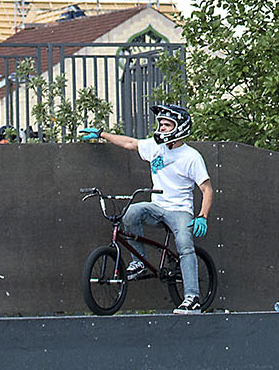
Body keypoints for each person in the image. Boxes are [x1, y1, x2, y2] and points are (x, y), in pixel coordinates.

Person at [78, 103, 214, 313]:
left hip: (180, 211)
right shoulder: (155, 146)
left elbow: (207, 189)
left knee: (185, 245)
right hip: (156, 207)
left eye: (167, 125)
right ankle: (139, 263)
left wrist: (202, 216)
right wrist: (101, 133)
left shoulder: (191, 157)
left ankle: (192, 298)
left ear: (180, 128)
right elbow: (130, 143)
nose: (161, 128)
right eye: (161, 124)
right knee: (131, 212)